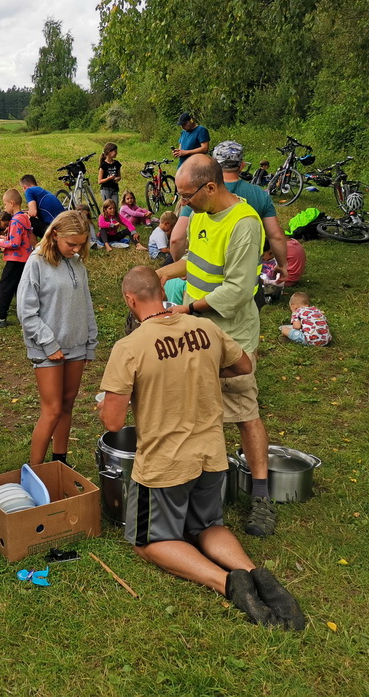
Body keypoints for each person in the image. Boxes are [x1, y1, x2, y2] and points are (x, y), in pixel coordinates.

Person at [99, 266, 305, 629]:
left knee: (146, 542)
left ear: (130, 300)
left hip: (165, 466)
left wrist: (109, 402)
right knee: (207, 525)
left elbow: (113, 423)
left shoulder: (130, 347)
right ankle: (252, 571)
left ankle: (226, 582)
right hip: (211, 456)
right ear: (162, 292)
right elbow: (243, 366)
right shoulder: (205, 328)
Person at [156, 155, 278, 538]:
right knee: (196, 409)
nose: (183, 203)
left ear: (211, 187)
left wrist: (188, 308)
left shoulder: (244, 224)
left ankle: (261, 496)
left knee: (244, 410)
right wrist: (160, 273)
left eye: (187, 196)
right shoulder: (201, 214)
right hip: (197, 333)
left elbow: (238, 290)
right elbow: (195, 261)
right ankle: (202, 485)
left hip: (231, 336)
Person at [18, 210, 98, 466]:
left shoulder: (77, 263)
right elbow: (26, 312)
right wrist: (49, 344)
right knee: (51, 411)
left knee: (66, 406)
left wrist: (90, 343)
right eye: (71, 244)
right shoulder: (36, 263)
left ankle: (60, 463)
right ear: (54, 235)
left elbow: (86, 305)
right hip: (46, 349)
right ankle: (34, 471)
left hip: (76, 345)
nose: (76, 249)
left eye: (81, 244)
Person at [170, 141, 290, 288]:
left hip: (208, 280)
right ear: (242, 166)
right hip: (245, 276)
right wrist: (282, 264)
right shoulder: (259, 194)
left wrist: (181, 267)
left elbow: (176, 239)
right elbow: (275, 235)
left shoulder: (201, 193)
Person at [0, 190, 34, 328]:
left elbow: (15, 244)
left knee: (5, 287)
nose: (4, 207)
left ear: (12, 203)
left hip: (16, 259)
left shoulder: (15, 220)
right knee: (21, 287)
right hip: (25, 258)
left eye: (5, 204)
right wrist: (5, 238)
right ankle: (25, 312)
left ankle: (1, 317)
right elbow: (20, 237)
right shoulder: (24, 217)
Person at [22, 174, 66, 239]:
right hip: (64, 226)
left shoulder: (29, 191)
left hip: (53, 229)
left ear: (24, 187)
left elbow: (33, 213)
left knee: (25, 218)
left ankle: (35, 245)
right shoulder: (45, 191)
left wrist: (25, 213)